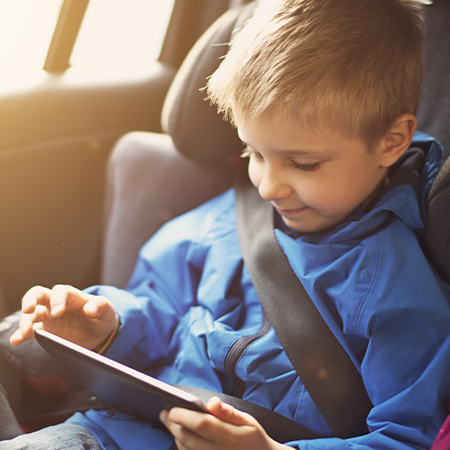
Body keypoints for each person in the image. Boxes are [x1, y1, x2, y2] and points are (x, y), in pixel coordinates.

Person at [2, 0, 450, 448]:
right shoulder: (221, 221)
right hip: (115, 432)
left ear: (391, 143)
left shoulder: (400, 290)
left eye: (304, 163)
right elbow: (163, 312)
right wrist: (108, 328)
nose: (268, 186)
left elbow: (404, 437)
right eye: (253, 154)